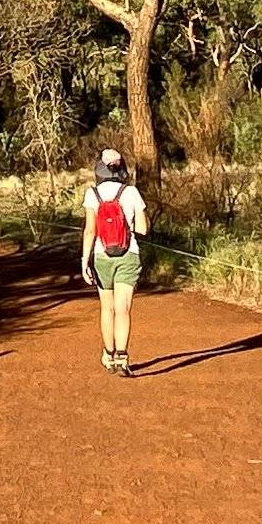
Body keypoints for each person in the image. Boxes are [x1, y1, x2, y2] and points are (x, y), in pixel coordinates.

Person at [80, 148, 149, 375]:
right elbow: (142, 229)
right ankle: (122, 356)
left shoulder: (93, 194)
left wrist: (84, 260)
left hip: (102, 256)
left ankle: (108, 355)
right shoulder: (131, 192)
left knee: (106, 308)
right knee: (124, 309)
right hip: (128, 255)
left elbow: (90, 230)